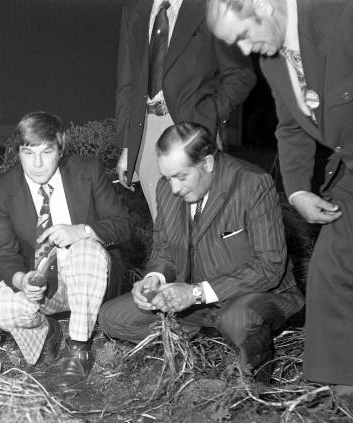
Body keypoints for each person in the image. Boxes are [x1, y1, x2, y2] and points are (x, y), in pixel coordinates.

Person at [205, 0, 353, 418]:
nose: (248, 50)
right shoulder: (275, 58)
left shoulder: (352, 17)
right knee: (329, 271)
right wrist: (298, 192)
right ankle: (349, 396)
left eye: (243, 35)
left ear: (263, 6)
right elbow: (290, 125)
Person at [99, 122, 304, 381]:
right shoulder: (167, 189)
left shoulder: (252, 184)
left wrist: (196, 293)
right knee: (112, 318)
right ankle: (205, 338)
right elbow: (164, 248)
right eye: (167, 177)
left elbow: (270, 267)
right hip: (195, 302)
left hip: (252, 295)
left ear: (207, 163)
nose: (173, 188)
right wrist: (155, 279)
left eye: (181, 177)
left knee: (238, 319)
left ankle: (254, 380)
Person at [0, 111, 131, 390]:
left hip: (90, 279)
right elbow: (3, 252)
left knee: (84, 249)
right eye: (28, 153)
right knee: (2, 307)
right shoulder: (0, 189)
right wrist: (20, 281)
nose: (37, 164)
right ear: (17, 151)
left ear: (60, 146)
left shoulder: (88, 171)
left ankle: (78, 349)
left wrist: (84, 231)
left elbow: (124, 225)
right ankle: (49, 331)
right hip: (44, 284)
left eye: (46, 151)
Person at [115, 0, 256, 218]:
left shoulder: (212, 8)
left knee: (203, 224)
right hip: (145, 133)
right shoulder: (133, 12)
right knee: (164, 227)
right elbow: (127, 84)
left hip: (193, 130)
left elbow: (241, 75)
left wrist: (209, 112)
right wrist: (127, 145)